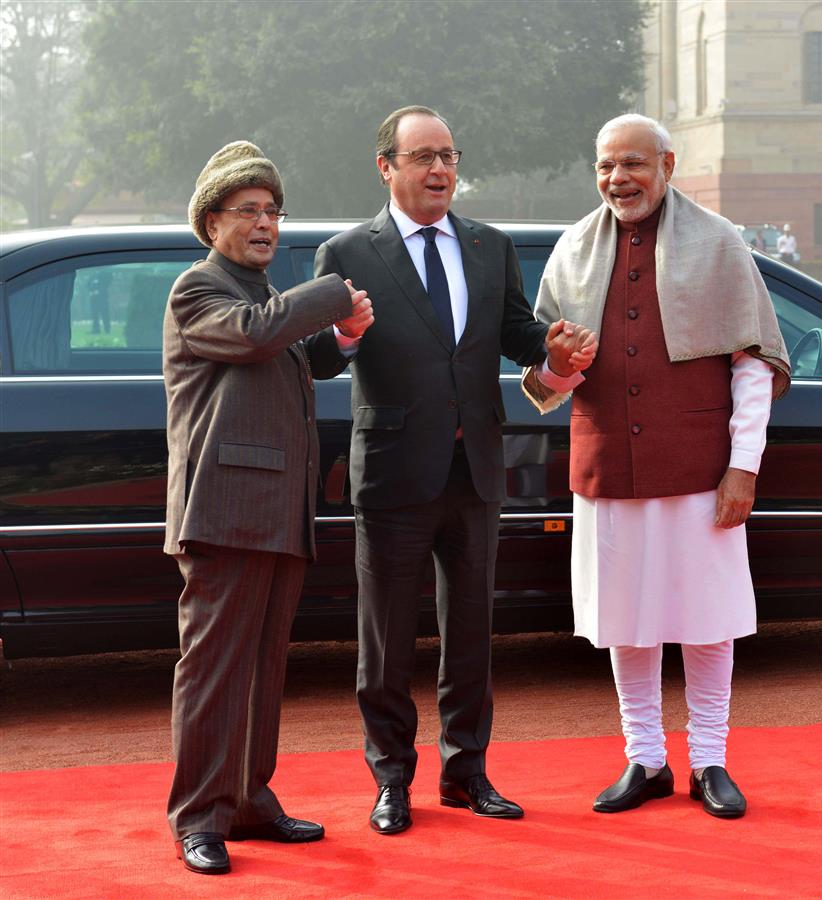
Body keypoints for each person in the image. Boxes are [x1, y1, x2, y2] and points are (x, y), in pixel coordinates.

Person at [306, 106, 593, 835]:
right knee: (387, 639)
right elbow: (313, 358)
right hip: (394, 474)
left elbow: (515, 332)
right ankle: (390, 780)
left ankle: (467, 773)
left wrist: (551, 350)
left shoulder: (489, 246)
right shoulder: (346, 252)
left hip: (476, 468)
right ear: (386, 167)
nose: (440, 170)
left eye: (450, 156)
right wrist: (343, 333)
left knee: (471, 633)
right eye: (423, 156)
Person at [521, 113, 791, 819]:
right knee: (625, 620)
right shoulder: (573, 250)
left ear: (667, 164)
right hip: (608, 465)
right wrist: (560, 364)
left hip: (700, 467)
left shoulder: (719, 243)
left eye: (634, 164)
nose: (619, 179)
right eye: (607, 166)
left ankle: (710, 760)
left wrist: (744, 467)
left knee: (708, 620)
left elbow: (753, 367)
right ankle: (644, 757)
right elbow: (545, 382)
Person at [163, 141, 374, 875]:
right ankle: (199, 818)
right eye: (249, 210)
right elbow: (253, 339)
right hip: (223, 513)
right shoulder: (200, 287)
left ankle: (250, 800)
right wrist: (332, 295)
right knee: (215, 670)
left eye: (274, 211)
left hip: (278, 510)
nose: (266, 224)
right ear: (211, 220)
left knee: (261, 668)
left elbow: (287, 350)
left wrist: (342, 336)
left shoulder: (256, 291)